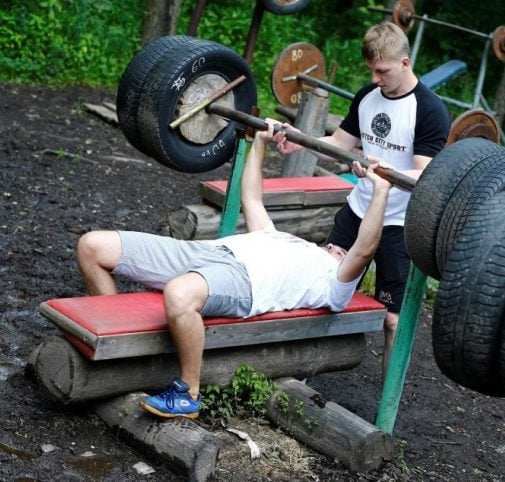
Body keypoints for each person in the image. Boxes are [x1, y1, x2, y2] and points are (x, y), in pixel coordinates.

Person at [75, 120, 393, 419]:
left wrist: (380, 191)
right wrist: (259, 142)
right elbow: (252, 199)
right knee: (92, 246)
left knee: (179, 294)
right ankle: (115, 354)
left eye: (341, 251)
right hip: (209, 251)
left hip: (244, 281)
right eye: (333, 245)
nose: (334, 247)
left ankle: (188, 393)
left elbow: (364, 248)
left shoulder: (334, 282)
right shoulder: (287, 240)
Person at [274, 21, 450, 377]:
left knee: (392, 320)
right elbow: (340, 145)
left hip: (399, 224)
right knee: (322, 287)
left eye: (381, 71)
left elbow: (424, 175)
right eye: (371, 70)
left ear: (404, 63)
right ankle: (298, 375)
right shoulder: (367, 97)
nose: (374, 78)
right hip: (358, 211)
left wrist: (382, 171)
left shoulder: (430, 110)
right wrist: (300, 140)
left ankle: (387, 403)